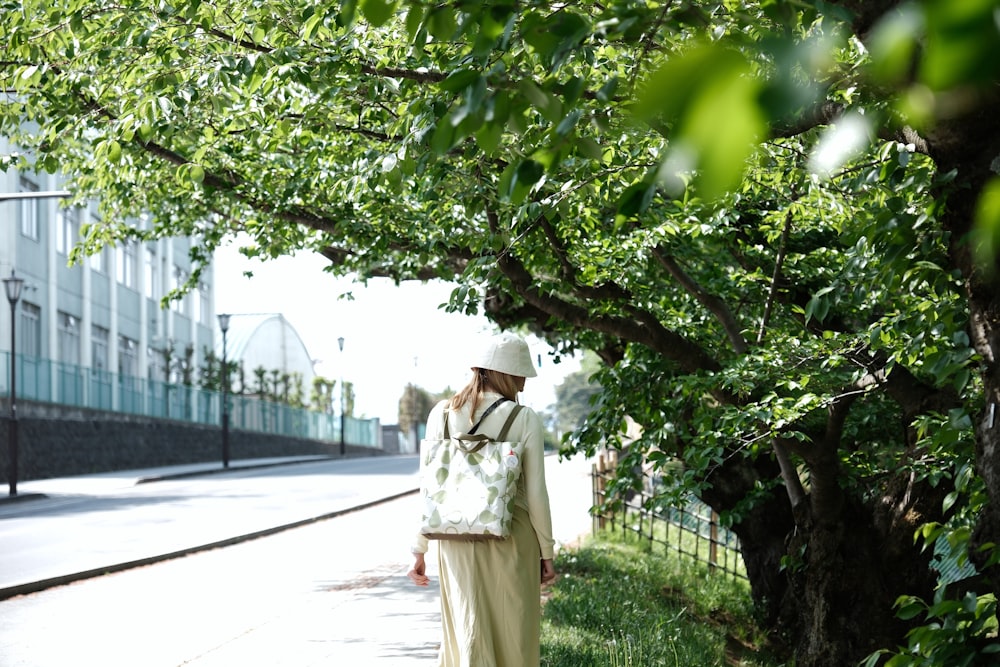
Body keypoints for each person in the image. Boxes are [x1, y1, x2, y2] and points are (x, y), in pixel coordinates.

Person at [408, 332, 557, 667]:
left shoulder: (442, 414)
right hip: (511, 535)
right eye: (521, 376)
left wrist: (419, 548)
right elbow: (536, 493)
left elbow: (429, 486)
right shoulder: (524, 418)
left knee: (464, 629)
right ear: (508, 373)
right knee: (515, 631)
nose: (523, 386)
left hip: (454, 535)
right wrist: (547, 551)